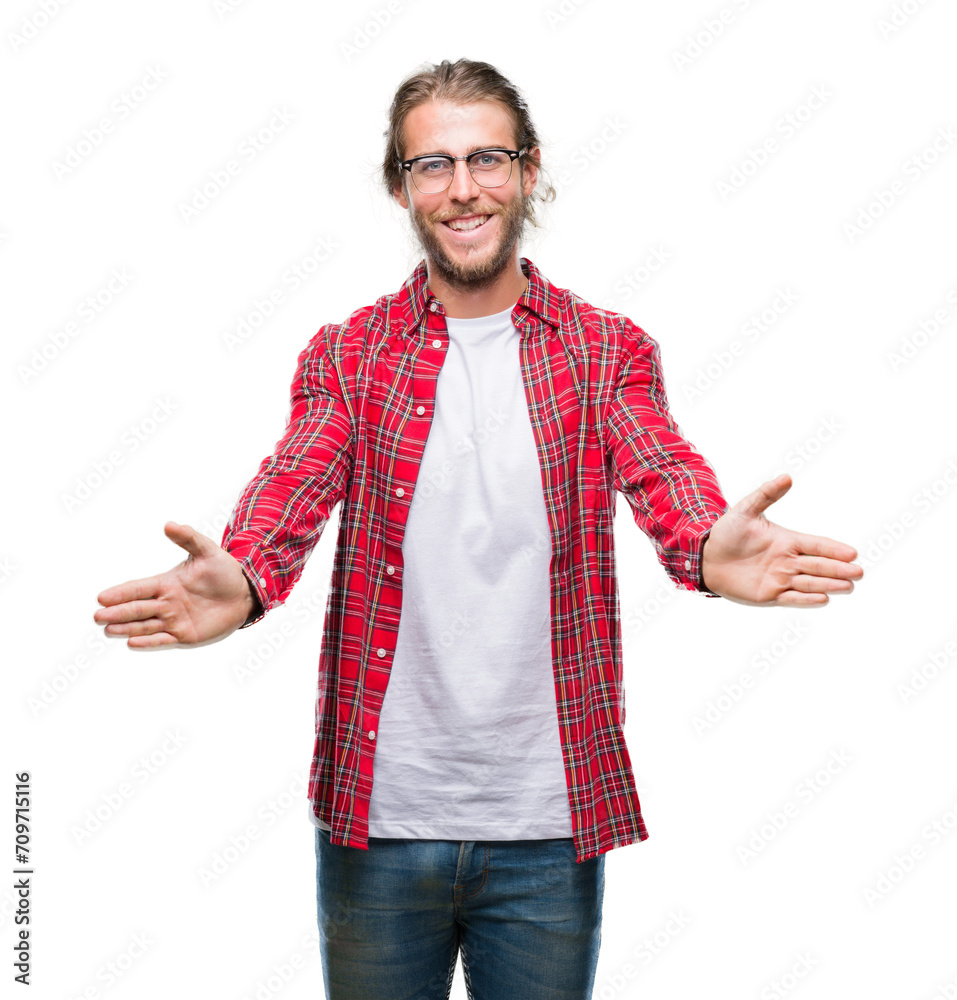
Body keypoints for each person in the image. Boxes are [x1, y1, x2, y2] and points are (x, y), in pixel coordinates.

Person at [93, 58, 863, 1000]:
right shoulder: (349, 352)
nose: (463, 189)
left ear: (528, 172)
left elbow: (659, 467)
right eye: (433, 165)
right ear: (400, 186)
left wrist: (706, 546)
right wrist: (246, 574)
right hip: (379, 825)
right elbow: (294, 482)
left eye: (486, 159)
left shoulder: (604, 348)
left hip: (548, 825)